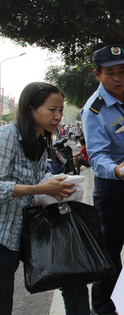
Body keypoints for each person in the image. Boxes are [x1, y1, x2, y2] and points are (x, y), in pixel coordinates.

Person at [0, 82, 90, 315]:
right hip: (4, 233)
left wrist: (59, 186)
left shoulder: (41, 140)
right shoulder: (8, 136)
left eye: (61, 110)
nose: (58, 116)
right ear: (31, 109)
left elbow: (40, 178)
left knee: (72, 276)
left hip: (33, 227)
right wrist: (39, 189)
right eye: (52, 110)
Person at [81, 45, 124, 315]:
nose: (118, 79)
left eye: (122, 71)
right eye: (111, 74)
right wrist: (118, 170)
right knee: (109, 254)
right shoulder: (94, 111)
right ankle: (104, 308)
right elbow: (96, 157)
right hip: (112, 188)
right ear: (97, 74)